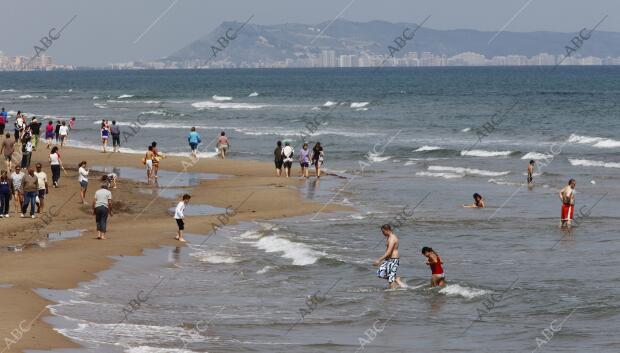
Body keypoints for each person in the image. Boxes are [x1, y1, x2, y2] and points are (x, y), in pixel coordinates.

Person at [374, 224, 405, 289]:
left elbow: (389, 252)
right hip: (388, 260)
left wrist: (379, 260)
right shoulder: (389, 237)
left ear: (387, 230)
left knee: (391, 279)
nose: (383, 233)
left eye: (383, 232)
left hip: (393, 260)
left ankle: (392, 294)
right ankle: (396, 278)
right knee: (380, 273)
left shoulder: (392, 238)